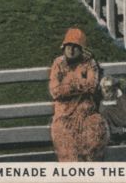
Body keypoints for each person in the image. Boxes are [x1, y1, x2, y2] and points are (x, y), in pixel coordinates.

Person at [49, 28, 109, 161]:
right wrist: (80, 83)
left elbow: (92, 85)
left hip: (87, 115)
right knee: (69, 155)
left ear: (81, 49)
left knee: (94, 142)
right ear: (64, 47)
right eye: (68, 46)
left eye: (75, 47)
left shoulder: (90, 63)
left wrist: (68, 84)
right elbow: (55, 90)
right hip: (64, 117)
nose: (71, 50)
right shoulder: (58, 63)